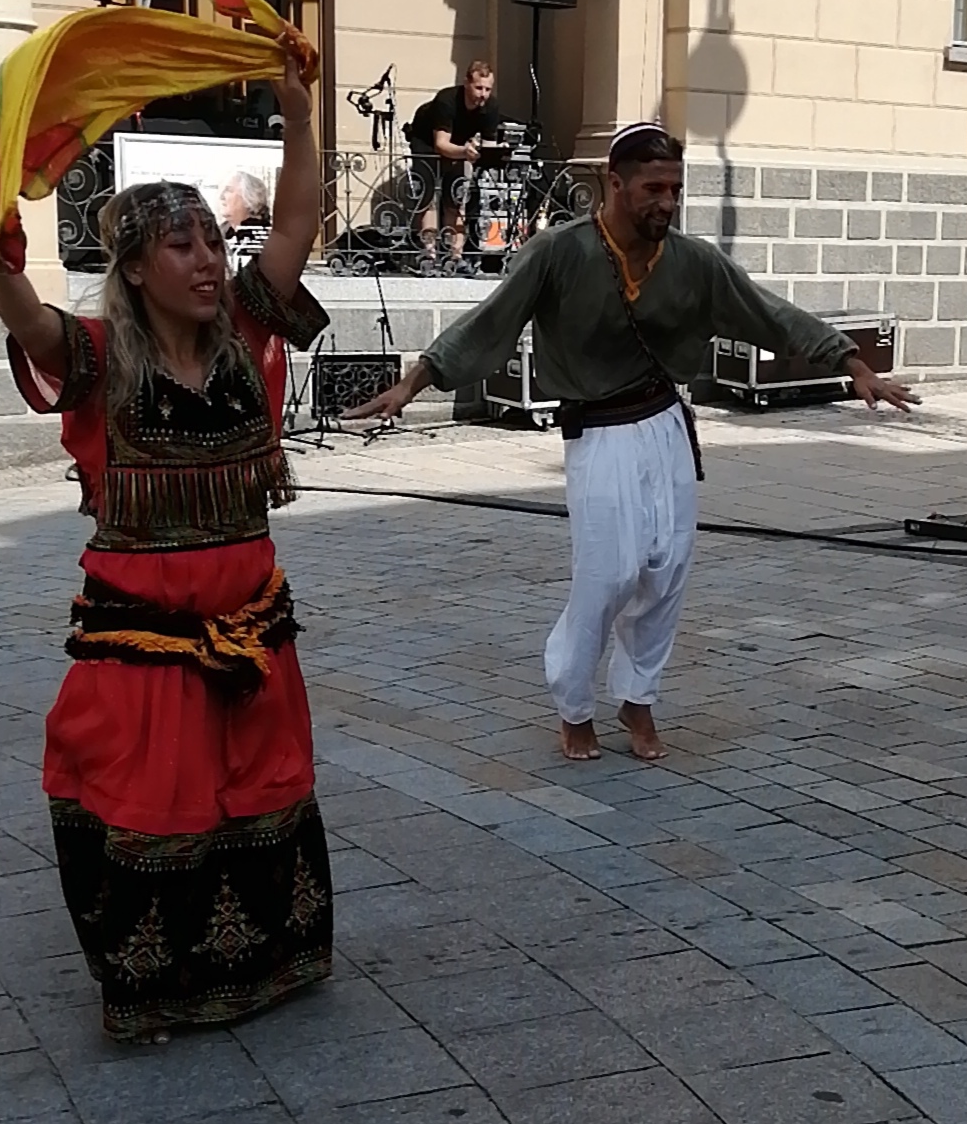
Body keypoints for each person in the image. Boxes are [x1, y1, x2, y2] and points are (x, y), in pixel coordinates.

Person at [0, 34, 333, 1042]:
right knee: (154, 805)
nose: (209, 261)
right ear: (133, 267)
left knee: (257, 792)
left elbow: (297, 219)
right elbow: (32, 326)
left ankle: (268, 968)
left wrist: (298, 114)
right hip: (142, 652)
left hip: (255, 639)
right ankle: (156, 992)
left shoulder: (251, 334)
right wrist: (0, 267)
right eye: (183, 246)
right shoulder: (95, 361)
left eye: (214, 242)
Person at [347, 123, 917, 760]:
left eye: (675, 189)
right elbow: (491, 321)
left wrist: (852, 363)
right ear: (614, 183)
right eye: (653, 189)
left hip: (667, 425)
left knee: (667, 569)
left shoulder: (694, 262)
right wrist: (413, 383)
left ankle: (638, 697)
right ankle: (574, 703)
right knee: (608, 573)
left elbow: (766, 312)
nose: (666, 203)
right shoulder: (559, 252)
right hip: (599, 434)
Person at [410, 62, 505, 274]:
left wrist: (493, 157)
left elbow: (489, 145)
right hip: (426, 140)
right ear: (466, 84)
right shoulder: (447, 100)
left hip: (460, 143)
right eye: (479, 88)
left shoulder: (490, 107)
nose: (483, 94)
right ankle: (429, 252)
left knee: (456, 194)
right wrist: (465, 153)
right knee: (427, 193)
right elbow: (441, 144)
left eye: (488, 89)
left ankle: (456, 254)